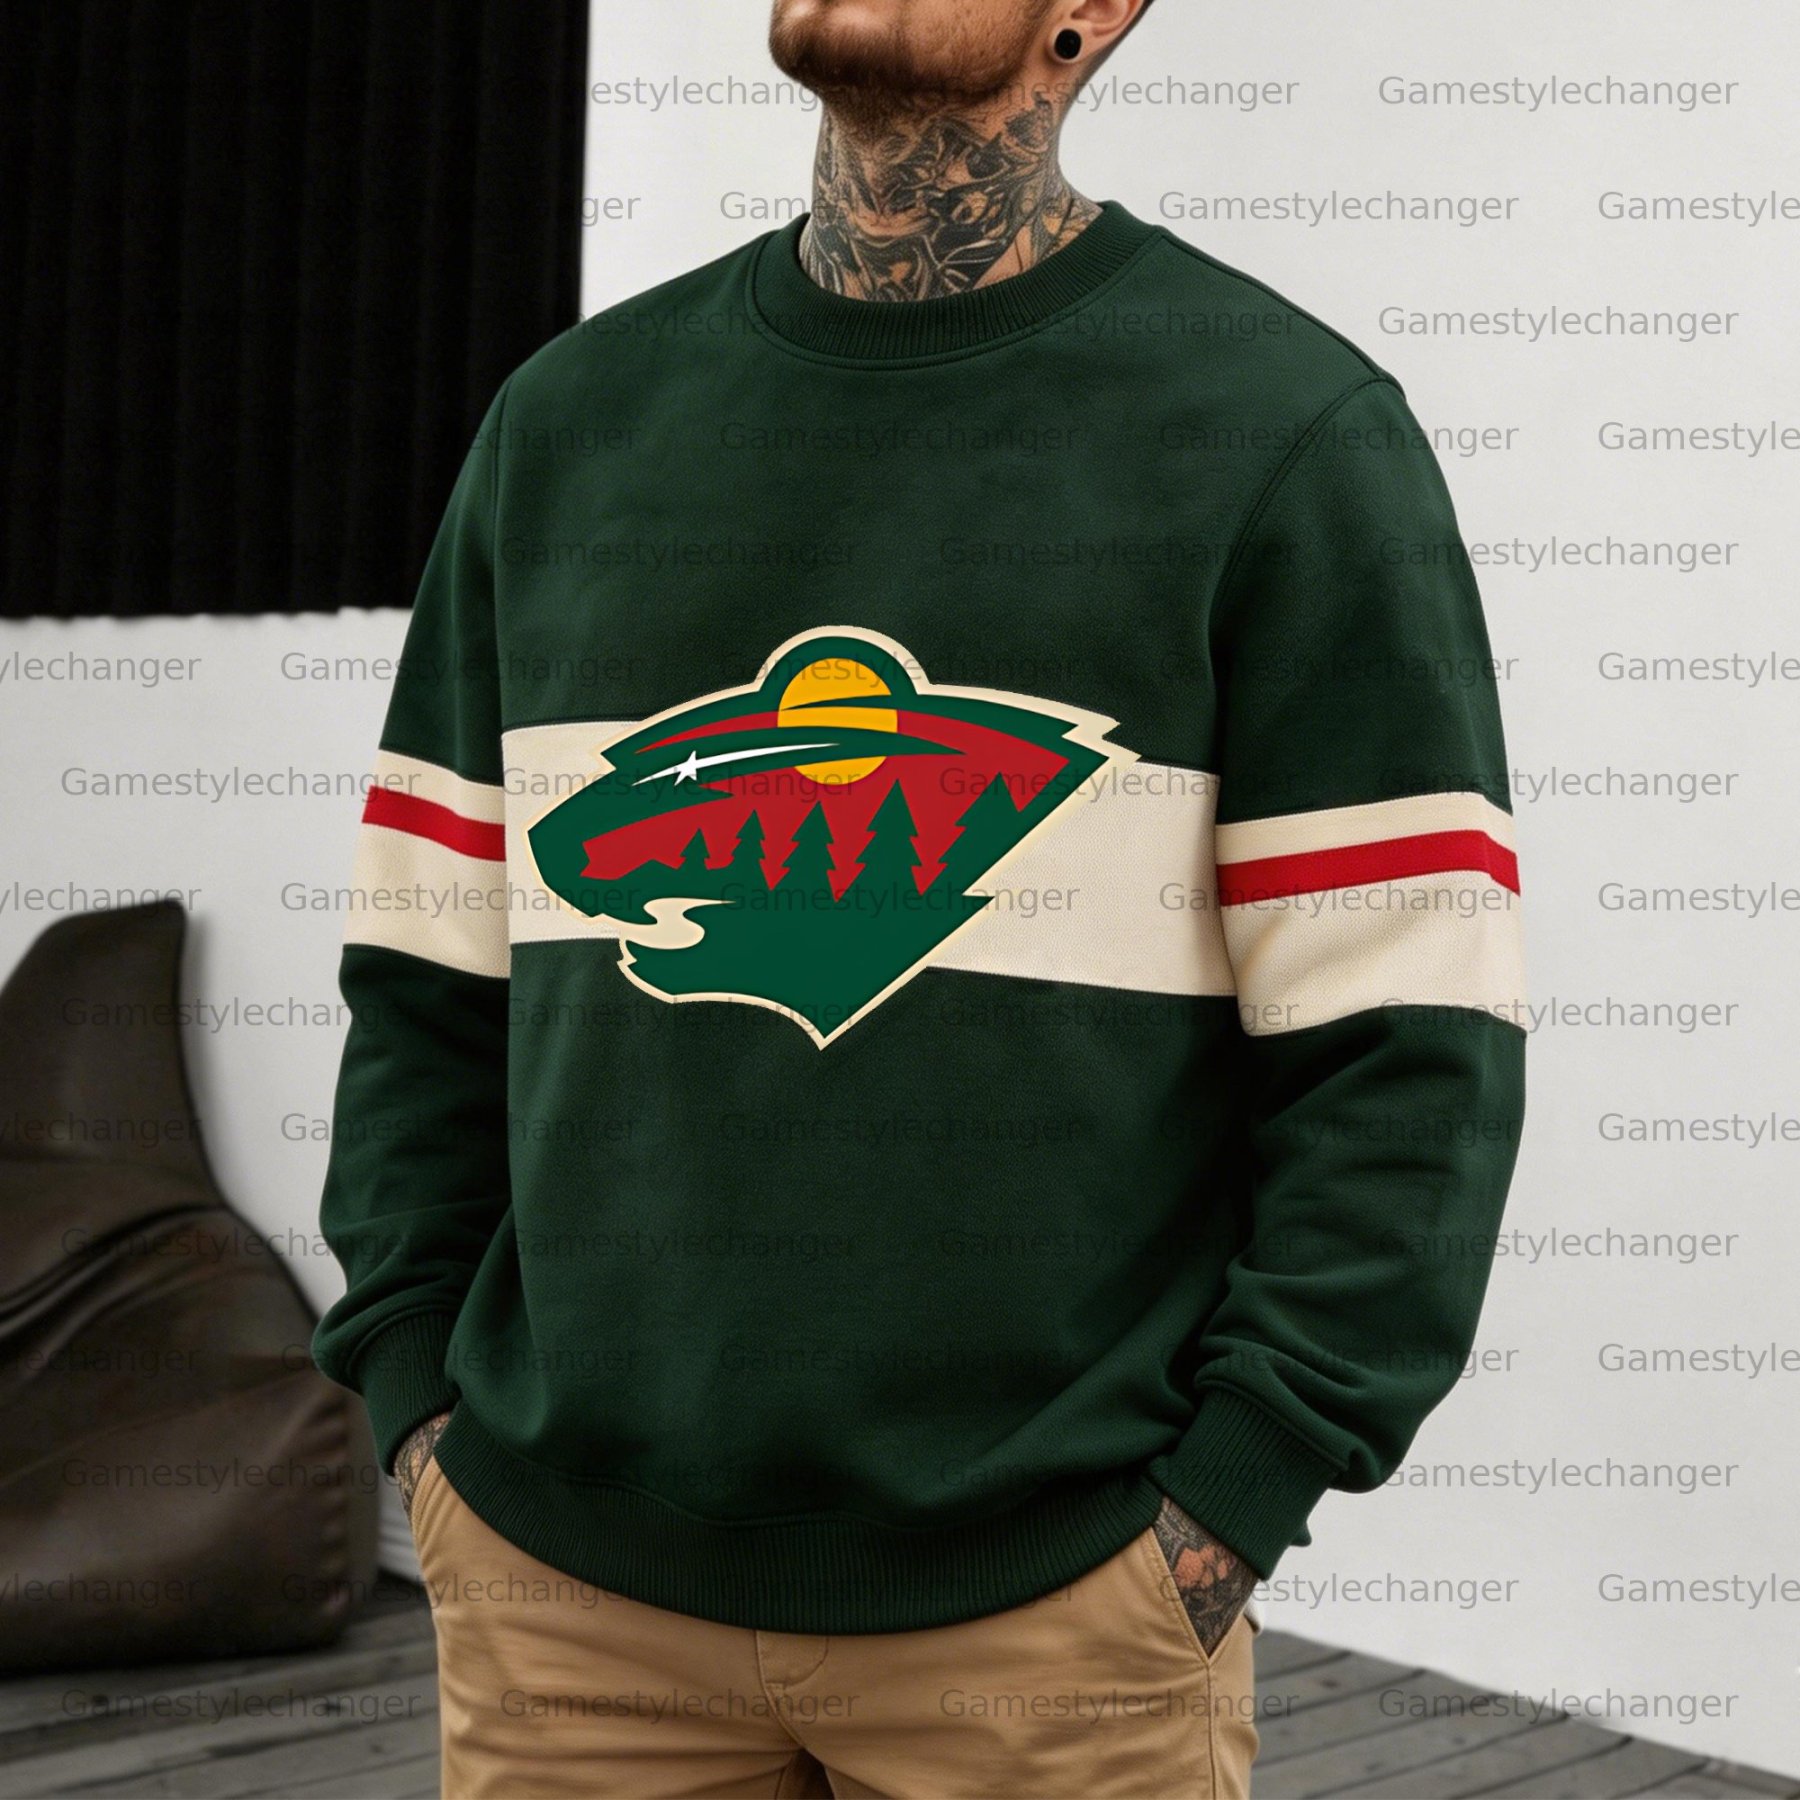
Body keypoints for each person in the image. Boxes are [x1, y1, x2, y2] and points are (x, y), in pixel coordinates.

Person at [315, 1, 1526, 1792]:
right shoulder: (567, 425)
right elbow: (427, 966)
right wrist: (419, 1394)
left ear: (1090, 9)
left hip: (1054, 1621)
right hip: (565, 1599)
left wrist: (1227, 1503)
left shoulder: (1284, 431)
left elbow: (1407, 1038)